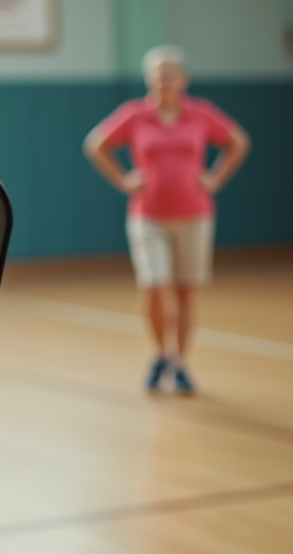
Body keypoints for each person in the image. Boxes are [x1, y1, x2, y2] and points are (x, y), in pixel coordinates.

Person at [83, 45, 251, 394]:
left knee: (186, 292)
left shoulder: (200, 113)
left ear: (183, 78)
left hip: (194, 214)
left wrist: (215, 178)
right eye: (158, 73)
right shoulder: (135, 114)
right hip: (148, 216)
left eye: (171, 72)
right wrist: (124, 179)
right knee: (155, 287)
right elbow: (96, 144)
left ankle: (180, 363)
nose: (165, 79)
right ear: (150, 79)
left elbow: (238, 142)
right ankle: (160, 353)